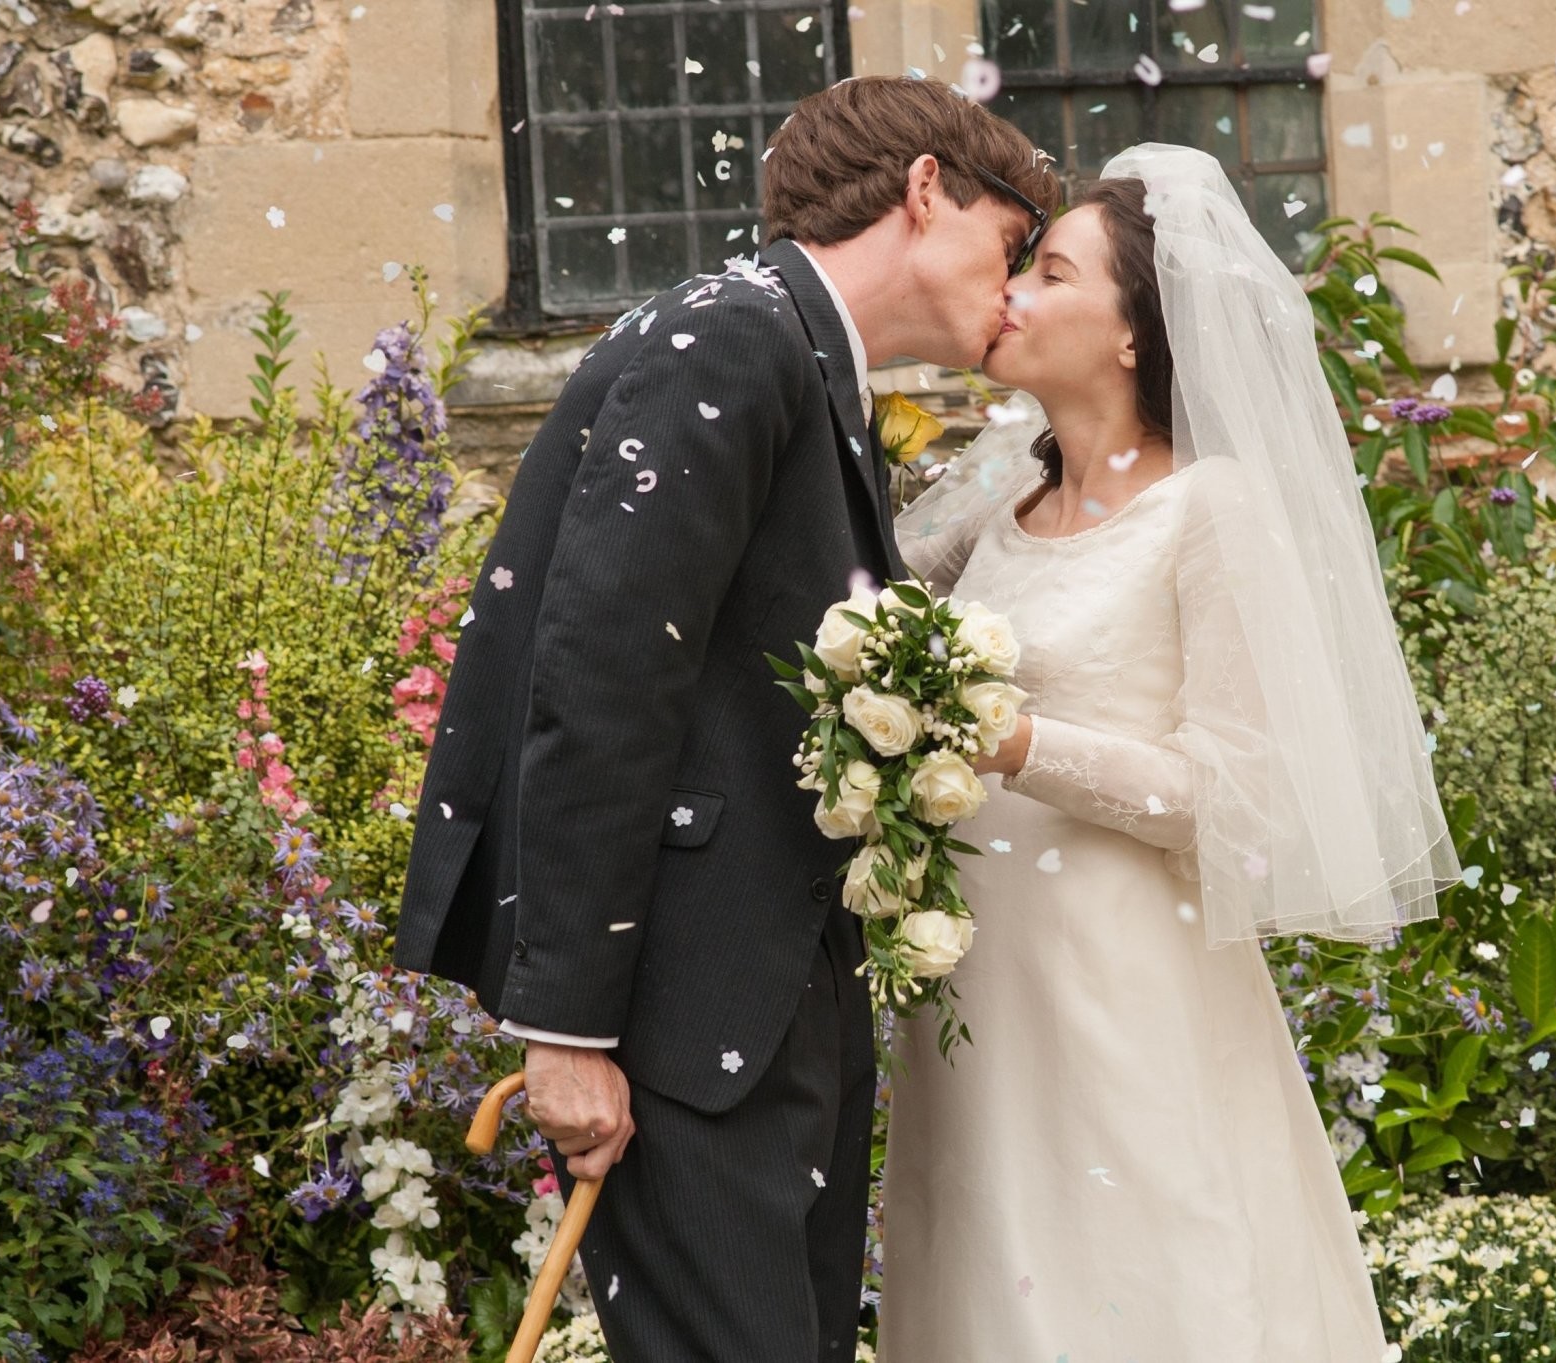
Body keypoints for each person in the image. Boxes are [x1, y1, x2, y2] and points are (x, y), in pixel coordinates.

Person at [391, 76, 1058, 1361]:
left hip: (760, 1002)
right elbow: (598, 683)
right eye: (1010, 240)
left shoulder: (803, 363)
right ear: (926, 191)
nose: (1014, 283)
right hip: (681, 1022)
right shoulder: (728, 340)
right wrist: (569, 1032)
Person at [881, 144, 1461, 1360]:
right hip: (976, 991)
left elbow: (1232, 790)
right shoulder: (992, 500)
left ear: (1136, 331)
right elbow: (858, 615)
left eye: (1047, 270)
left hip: (1120, 981)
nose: (1010, 295)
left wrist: (1019, 740)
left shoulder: (1210, 508)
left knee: (1143, 1282)